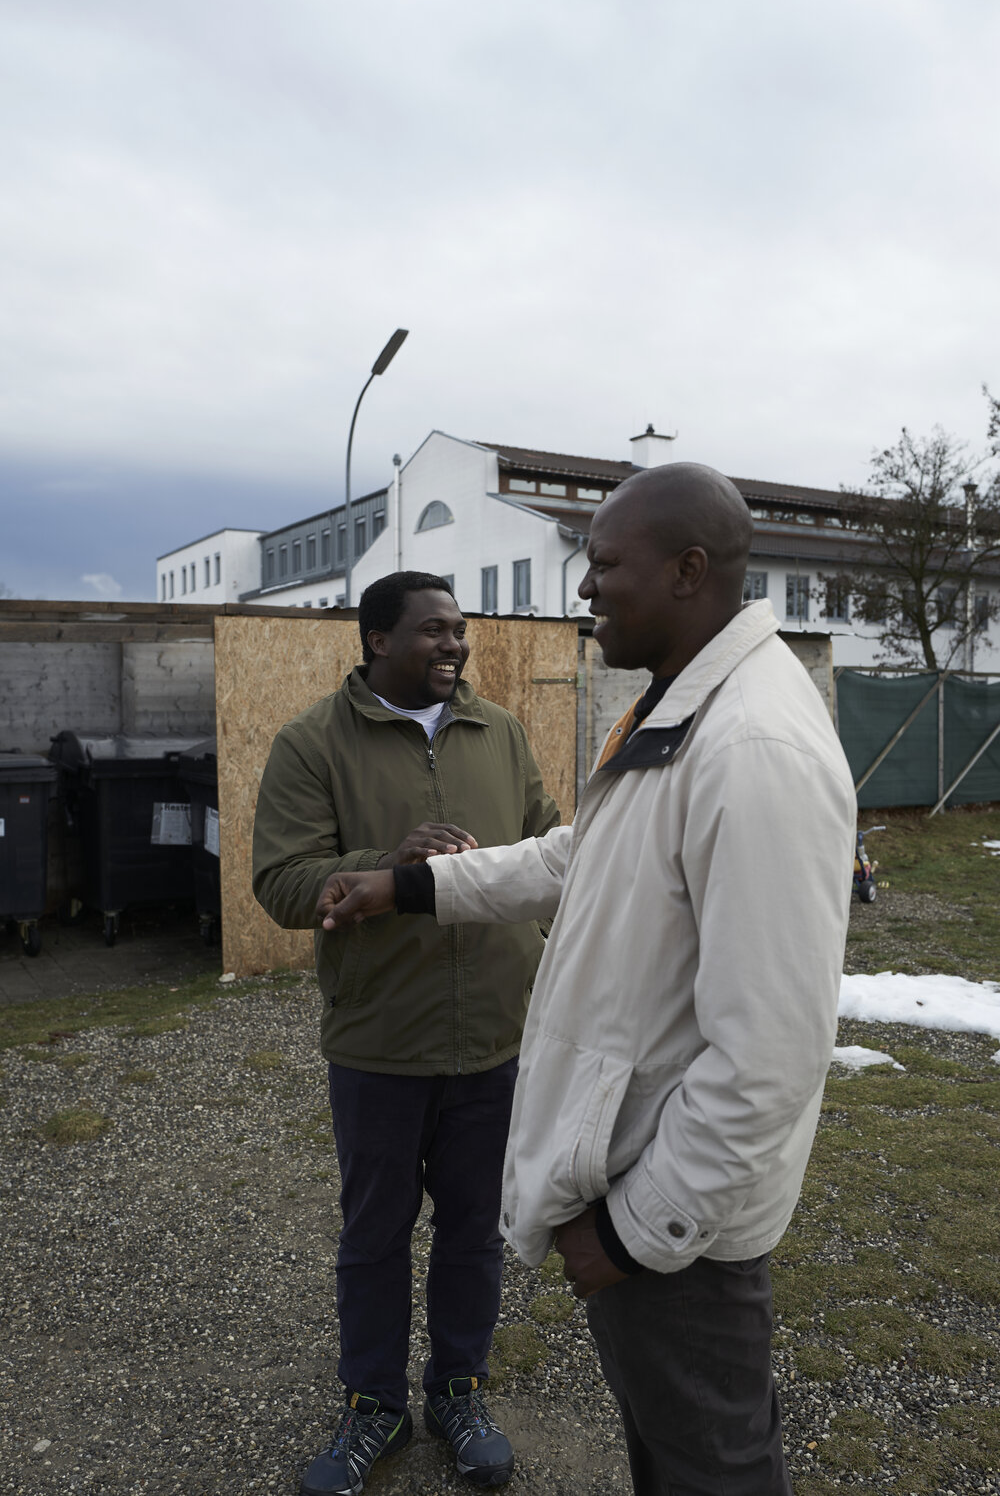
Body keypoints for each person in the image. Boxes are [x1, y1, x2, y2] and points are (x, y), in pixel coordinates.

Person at [318, 465, 857, 1496]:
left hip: (679, 1233)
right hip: (644, 1189)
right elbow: (580, 857)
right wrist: (411, 886)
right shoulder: (687, 708)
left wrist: (636, 1230)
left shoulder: (753, 748)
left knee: (714, 1470)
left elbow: (772, 1053)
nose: (584, 587)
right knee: (675, 1456)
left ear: (687, 571)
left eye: (605, 564)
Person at [252, 571, 559, 1496]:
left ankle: (460, 1393)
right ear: (378, 639)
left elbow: (548, 853)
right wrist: (389, 864)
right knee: (375, 1236)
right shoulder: (313, 742)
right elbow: (283, 884)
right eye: (432, 629)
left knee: (473, 1231)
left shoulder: (499, 732)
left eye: (458, 629)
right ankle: (373, 1406)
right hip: (380, 1043)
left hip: (494, 1038)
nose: (453, 644)